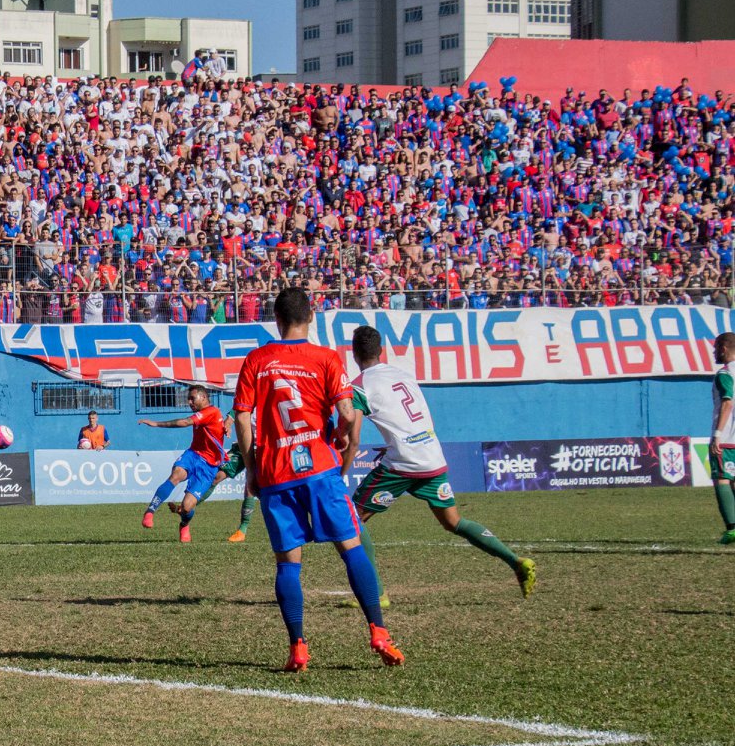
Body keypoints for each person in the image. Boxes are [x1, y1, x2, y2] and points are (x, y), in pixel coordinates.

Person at [233, 288, 403, 673]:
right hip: (320, 468)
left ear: (276, 320)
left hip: (277, 471)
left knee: (288, 565)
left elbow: (243, 418)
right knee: (351, 547)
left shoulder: (257, 359)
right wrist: (342, 435)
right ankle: (378, 630)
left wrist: (253, 467)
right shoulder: (327, 358)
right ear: (311, 318)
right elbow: (346, 409)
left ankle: (298, 647)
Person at [347, 325, 535, 595]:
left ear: (354, 354)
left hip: (402, 464)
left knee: (353, 518)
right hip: (431, 457)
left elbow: (353, 437)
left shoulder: (359, 386)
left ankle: (375, 594)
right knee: (453, 521)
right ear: (381, 351)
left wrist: (343, 462)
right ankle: (516, 562)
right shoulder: (402, 374)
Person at [138, 387, 228, 543]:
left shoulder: (211, 412)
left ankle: (184, 524)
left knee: (186, 507)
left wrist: (156, 424)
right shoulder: (208, 413)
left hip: (209, 466)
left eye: (193, 398)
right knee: (176, 474)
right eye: (189, 398)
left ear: (204, 397)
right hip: (193, 454)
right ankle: (150, 511)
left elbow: (185, 422)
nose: (189, 402)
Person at [189, 420, 260, 543]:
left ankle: (242, 530)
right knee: (217, 476)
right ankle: (188, 506)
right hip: (241, 447)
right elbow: (233, 415)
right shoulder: (244, 401)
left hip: (260, 446)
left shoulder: (266, 402)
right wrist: (227, 425)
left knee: (250, 483)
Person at [706, 332, 735, 544]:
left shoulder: (725, 373)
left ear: (724, 349)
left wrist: (717, 435)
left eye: (716, 347)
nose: (714, 351)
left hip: (726, 437)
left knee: (722, 478)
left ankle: (732, 528)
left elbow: (727, 402)